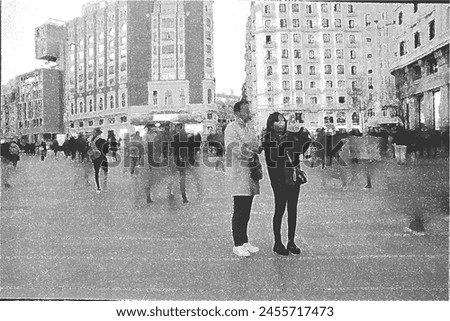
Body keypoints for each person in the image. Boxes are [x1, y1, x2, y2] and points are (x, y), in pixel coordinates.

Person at [262, 112, 311, 256]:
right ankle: (277, 242)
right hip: (279, 180)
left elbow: (303, 147)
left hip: (293, 178)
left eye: (283, 120)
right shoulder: (268, 138)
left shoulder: (291, 135)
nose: (282, 123)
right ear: (271, 124)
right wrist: (276, 182)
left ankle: (291, 241)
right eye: (278, 121)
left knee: (292, 209)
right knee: (279, 210)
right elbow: (271, 162)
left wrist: (302, 133)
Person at [224, 100, 262, 257]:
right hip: (238, 173)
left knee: (247, 208)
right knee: (239, 208)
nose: (249, 113)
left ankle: (245, 240)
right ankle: (237, 243)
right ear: (238, 113)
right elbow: (235, 148)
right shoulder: (231, 128)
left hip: (250, 173)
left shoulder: (247, 128)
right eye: (246, 111)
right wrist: (251, 150)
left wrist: (253, 148)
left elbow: (257, 144)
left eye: (249, 111)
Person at [90, 127, 109, 193]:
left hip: (96, 158)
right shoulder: (103, 141)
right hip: (103, 158)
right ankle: (105, 186)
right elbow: (106, 150)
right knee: (105, 172)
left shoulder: (92, 141)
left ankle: (98, 187)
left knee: (96, 172)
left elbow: (90, 150)